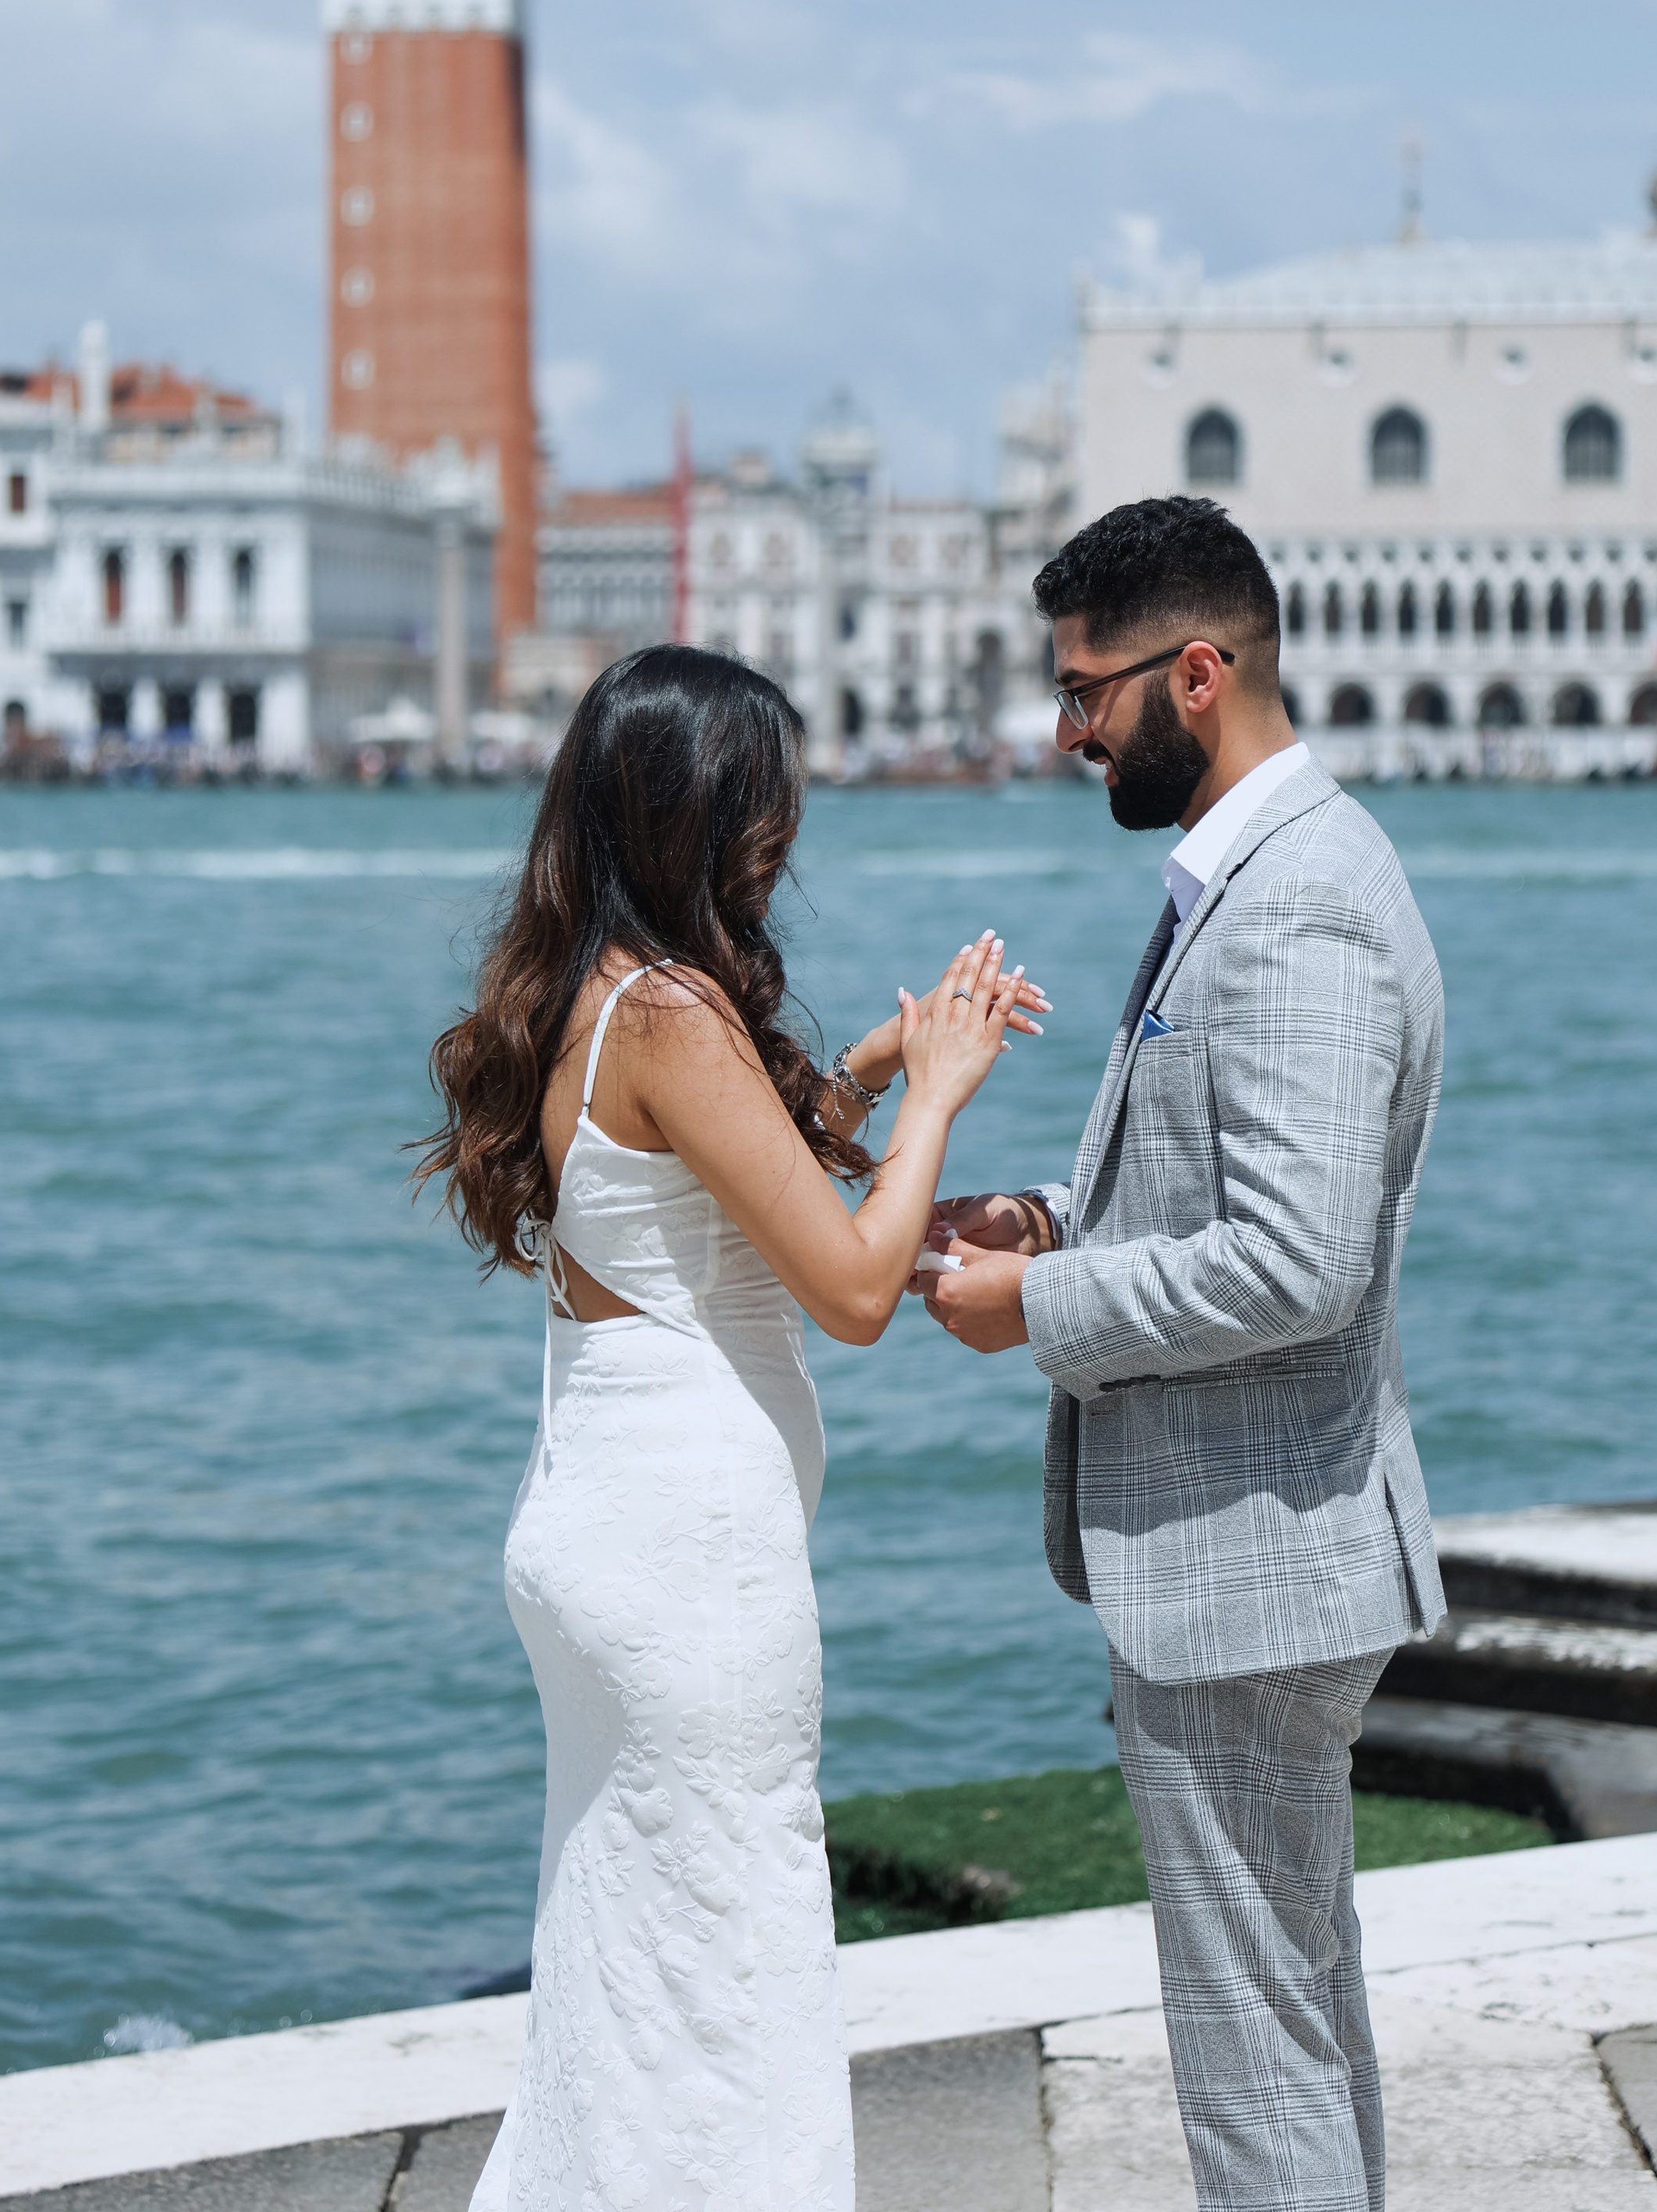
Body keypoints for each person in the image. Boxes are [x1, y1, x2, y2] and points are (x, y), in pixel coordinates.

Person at [420, 644, 1041, 2212]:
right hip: (685, 1565)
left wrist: (869, 1072)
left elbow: (715, 1181)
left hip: (603, 1529)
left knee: (626, 1960)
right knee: (730, 1971)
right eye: (765, 807)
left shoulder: (596, 992)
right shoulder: (676, 1011)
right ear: (693, 813)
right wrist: (940, 1095)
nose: (785, 838)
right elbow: (849, 1286)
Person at [924, 495, 1446, 2212]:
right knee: (1288, 2018)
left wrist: (1036, 1309)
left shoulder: (1293, 903)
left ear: (1198, 674)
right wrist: (1048, 1224)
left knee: (1253, 2055)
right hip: (1262, 1550)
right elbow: (1228, 1200)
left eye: (1087, 692)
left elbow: (1297, 1262)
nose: (1065, 730)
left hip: (1247, 1565)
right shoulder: (1267, 872)